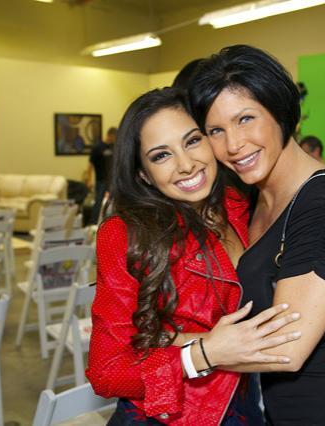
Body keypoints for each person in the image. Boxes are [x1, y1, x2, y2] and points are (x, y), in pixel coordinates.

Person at [189, 45, 325, 425]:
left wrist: (188, 353)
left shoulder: (323, 202)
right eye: (216, 131)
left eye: (245, 119)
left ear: (280, 111)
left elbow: (288, 348)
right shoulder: (257, 198)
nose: (233, 145)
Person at [86, 87, 302, 425]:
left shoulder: (239, 203)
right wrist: (205, 352)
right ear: (143, 173)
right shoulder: (126, 233)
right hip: (170, 416)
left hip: (246, 403)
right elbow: (107, 371)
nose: (186, 165)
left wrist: (178, 338)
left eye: (192, 141)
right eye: (161, 155)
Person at [85, 126, 116, 224]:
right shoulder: (98, 147)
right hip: (101, 181)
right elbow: (90, 165)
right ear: (110, 135)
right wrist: (89, 179)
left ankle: (107, 223)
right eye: (115, 137)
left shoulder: (113, 147)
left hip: (111, 181)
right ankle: (93, 223)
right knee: (98, 203)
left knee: (111, 203)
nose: (115, 139)